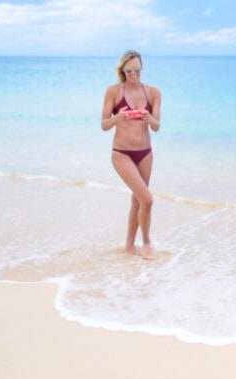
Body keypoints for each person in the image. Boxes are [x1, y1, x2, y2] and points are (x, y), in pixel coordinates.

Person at [101, 50, 161, 260]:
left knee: (138, 200)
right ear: (123, 70)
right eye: (129, 70)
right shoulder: (113, 92)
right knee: (147, 199)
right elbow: (104, 125)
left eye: (137, 70)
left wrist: (148, 119)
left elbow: (157, 127)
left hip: (145, 153)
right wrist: (118, 117)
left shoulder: (153, 93)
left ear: (141, 68)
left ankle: (129, 246)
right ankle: (146, 243)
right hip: (122, 153)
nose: (134, 74)